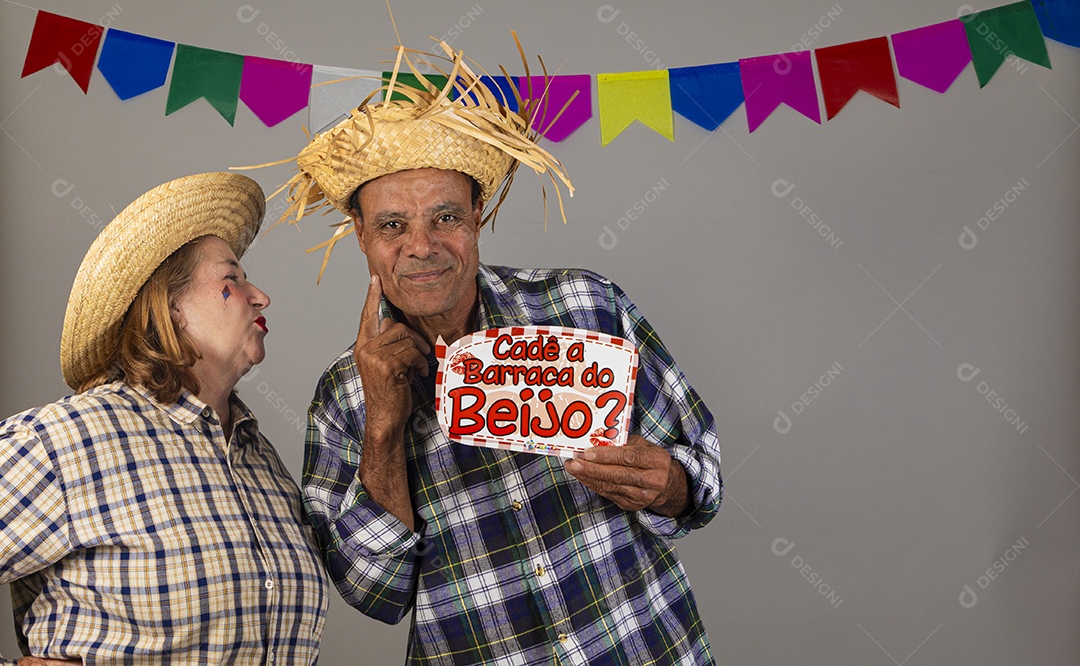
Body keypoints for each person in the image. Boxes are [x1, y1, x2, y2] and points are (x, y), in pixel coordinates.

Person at [281, 42, 722, 664]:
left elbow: (702, 476)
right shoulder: (343, 398)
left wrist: (667, 483)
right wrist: (383, 423)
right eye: (391, 226)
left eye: (445, 218)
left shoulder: (584, 306)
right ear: (360, 234)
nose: (422, 247)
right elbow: (375, 595)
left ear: (479, 214)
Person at [0, 173, 329, 665]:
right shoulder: (66, 440)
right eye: (232, 279)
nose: (259, 297)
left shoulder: (259, 458)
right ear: (170, 307)